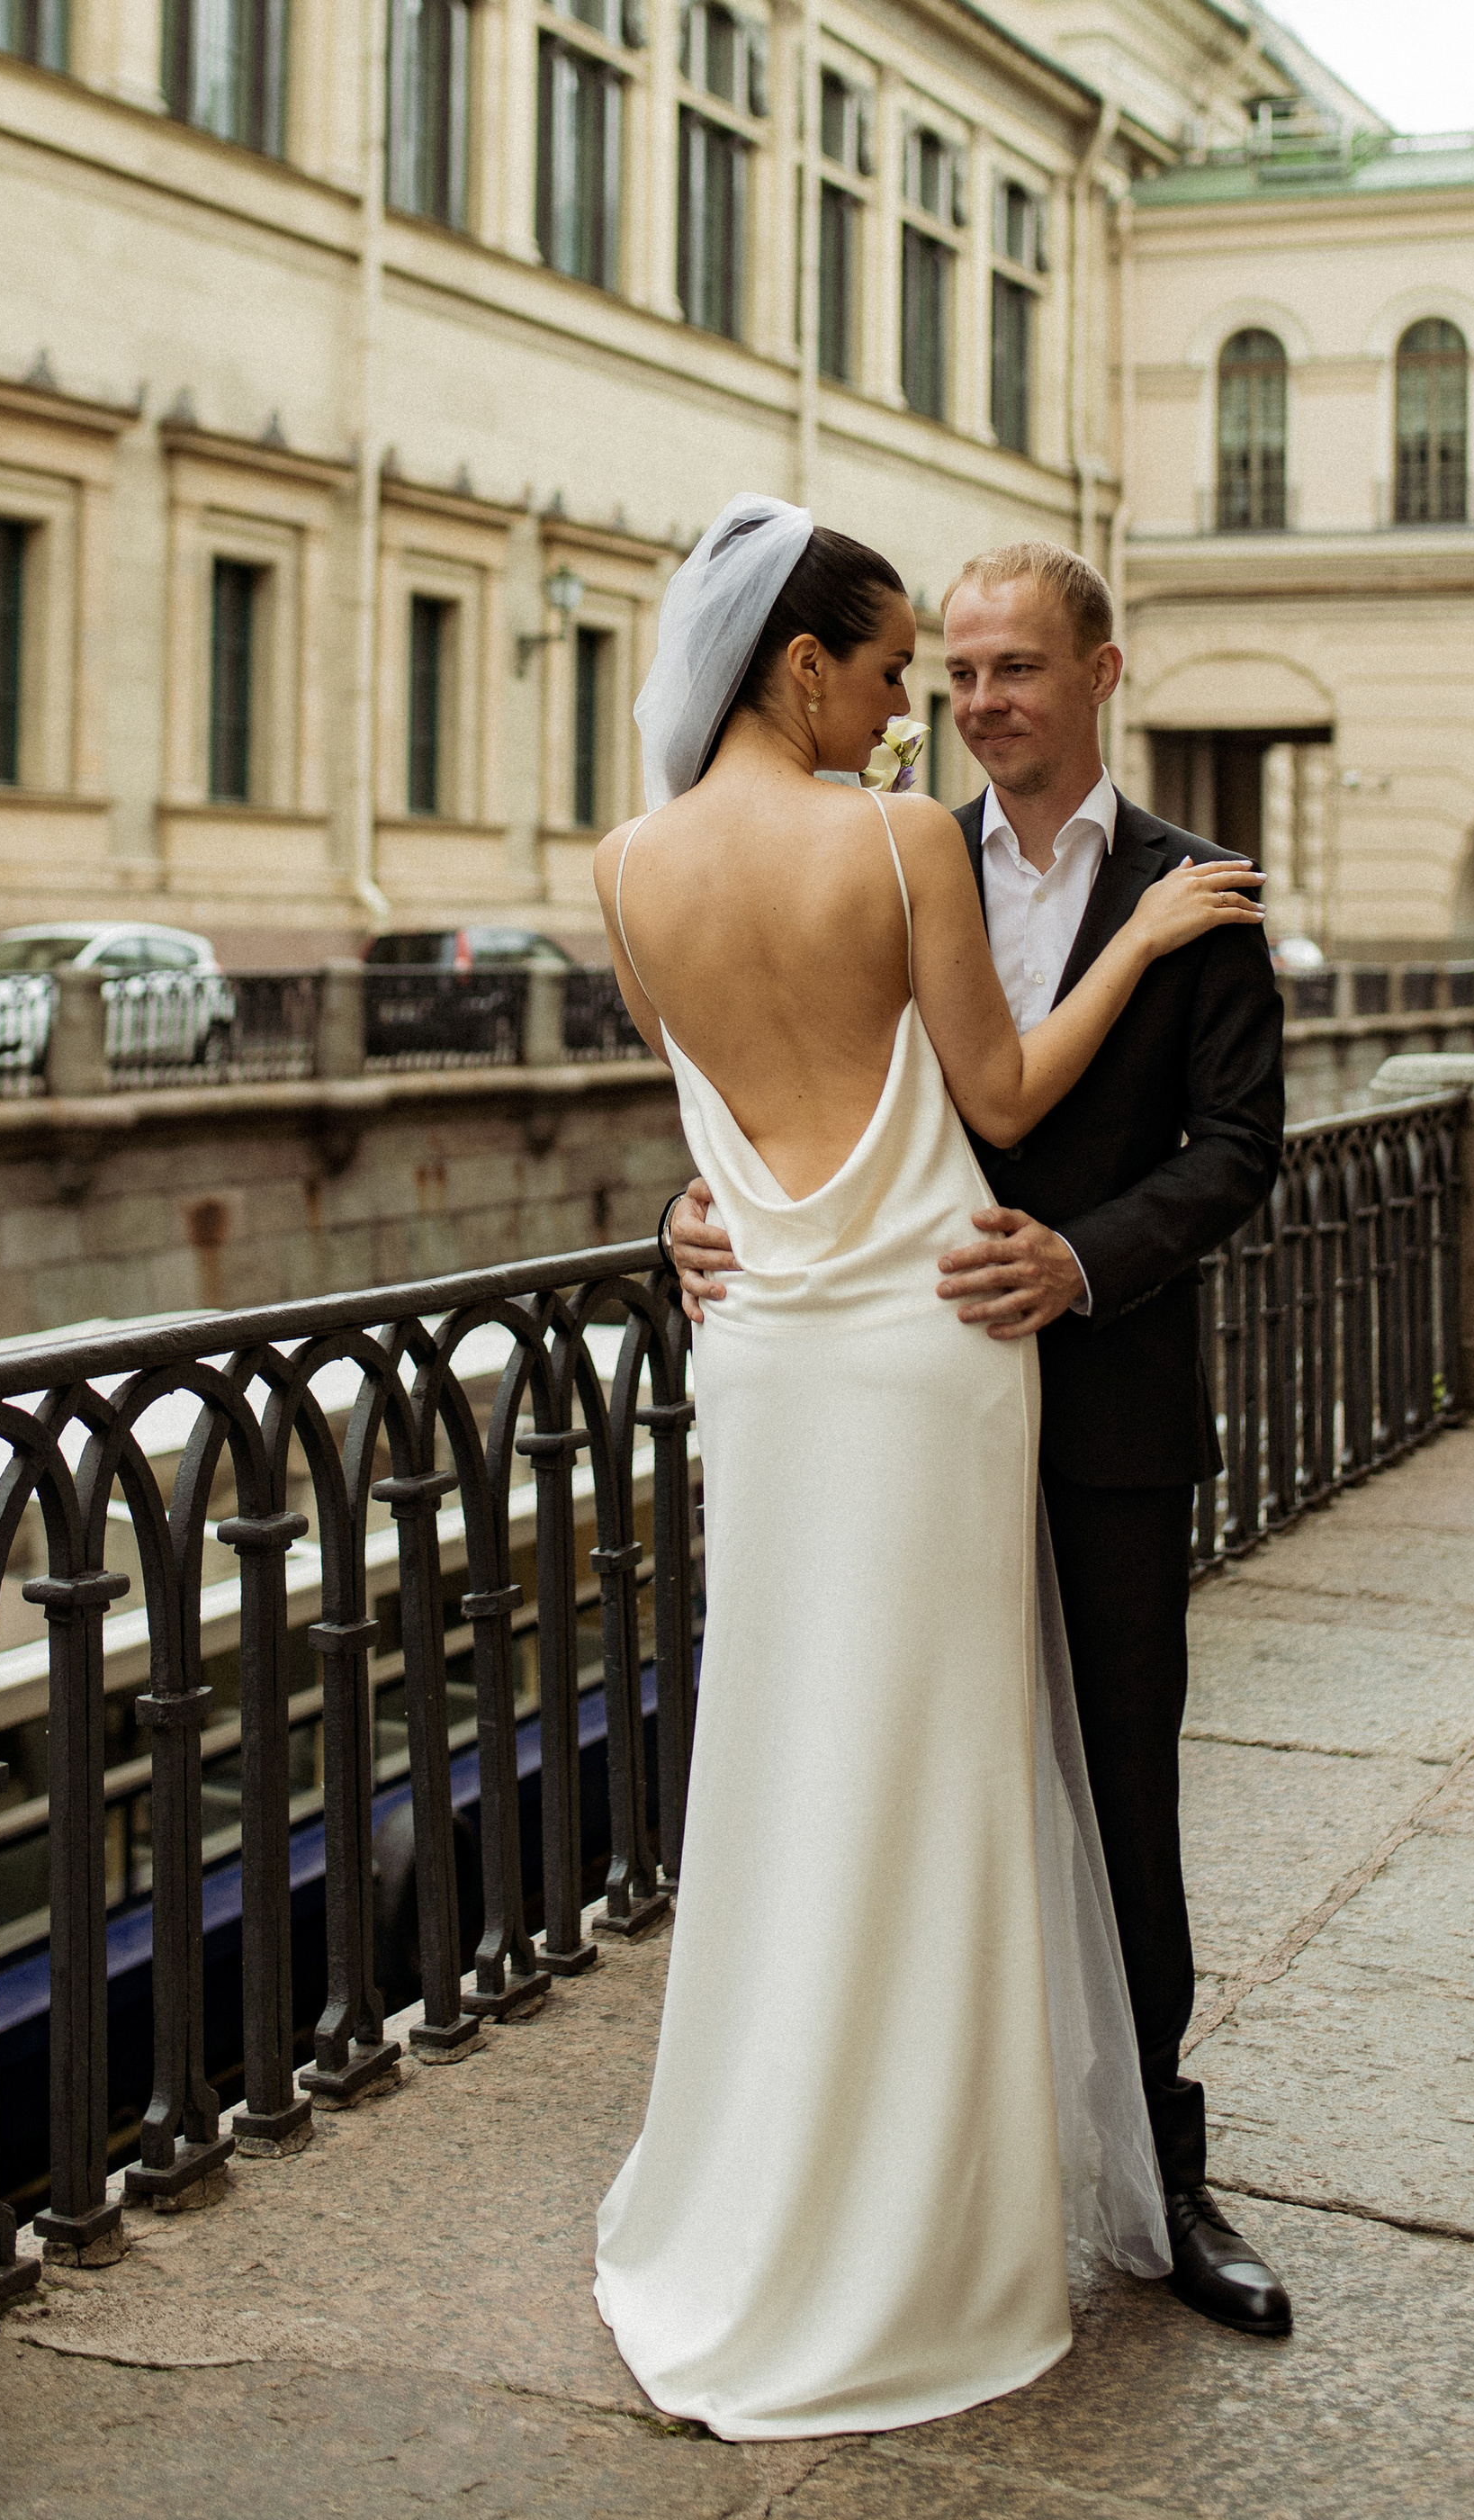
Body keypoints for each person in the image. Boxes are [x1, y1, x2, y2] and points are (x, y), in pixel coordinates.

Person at [593, 496, 1263, 2443]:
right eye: (903, 673)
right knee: (941, 1785)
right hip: (929, 1359)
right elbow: (990, 1097)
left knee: (794, 1771)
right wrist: (1134, 942)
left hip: (777, 1374)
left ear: (1089, 677)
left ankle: (797, 2190)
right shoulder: (897, 840)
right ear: (802, 664)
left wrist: (701, 1217)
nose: (920, 714)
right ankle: (928, 2229)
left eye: (970, 676)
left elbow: (730, 1116)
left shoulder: (625, 863)